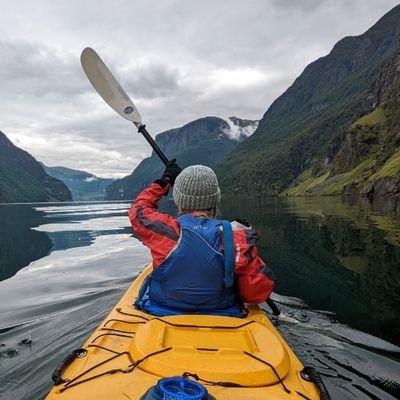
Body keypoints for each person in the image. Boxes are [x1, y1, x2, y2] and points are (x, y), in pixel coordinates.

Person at [129, 161, 275, 317]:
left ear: (179, 200)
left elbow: (138, 209)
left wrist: (164, 181)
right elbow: (256, 294)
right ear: (215, 200)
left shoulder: (165, 230)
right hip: (223, 314)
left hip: (161, 310)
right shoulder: (235, 235)